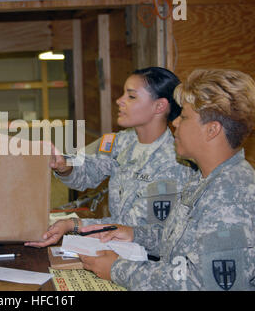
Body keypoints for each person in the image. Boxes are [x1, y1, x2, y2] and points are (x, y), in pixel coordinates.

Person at [80, 69, 255, 291]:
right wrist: (136, 234)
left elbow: (205, 283)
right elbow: (183, 240)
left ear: (211, 130)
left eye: (185, 117)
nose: (175, 123)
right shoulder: (205, 178)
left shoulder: (232, 196)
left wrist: (118, 269)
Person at [26, 67, 191, 248]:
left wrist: (73, 225)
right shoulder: (121, 141)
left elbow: (137, 229)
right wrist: (65, 165)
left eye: (131, 96)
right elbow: (89, 172)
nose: (119, 101)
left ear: (159, 106)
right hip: (113, 245)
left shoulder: (174, 160)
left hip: (144, 259)